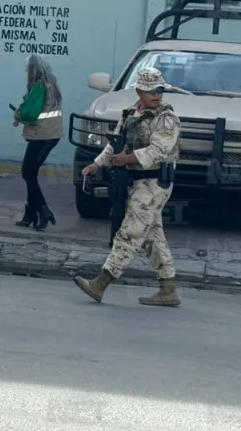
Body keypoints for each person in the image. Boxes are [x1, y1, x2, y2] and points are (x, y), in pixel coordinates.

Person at [72, 68, 182, 308]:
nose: (158, 95)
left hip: (156, 181)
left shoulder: (166, 119)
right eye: (152, 90)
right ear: (140, 90)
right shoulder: (130, 114)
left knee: (130, 232)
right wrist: (95, 165)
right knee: (152, 236)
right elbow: (115, 145)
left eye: (161, 90)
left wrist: (126, 160)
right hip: (138, 180)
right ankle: (168, 289)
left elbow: (158, 152)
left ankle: (100, 284)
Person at [13, 54, 64, 231]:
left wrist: (18, 114)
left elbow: (31, 112)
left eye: (28, 68)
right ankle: (31, 213)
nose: (27, 71)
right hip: (51, 135)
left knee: (28, 172)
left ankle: (43, 210)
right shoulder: (52, 84)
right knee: (30, 173)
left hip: (42, 135)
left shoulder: (39, 85)